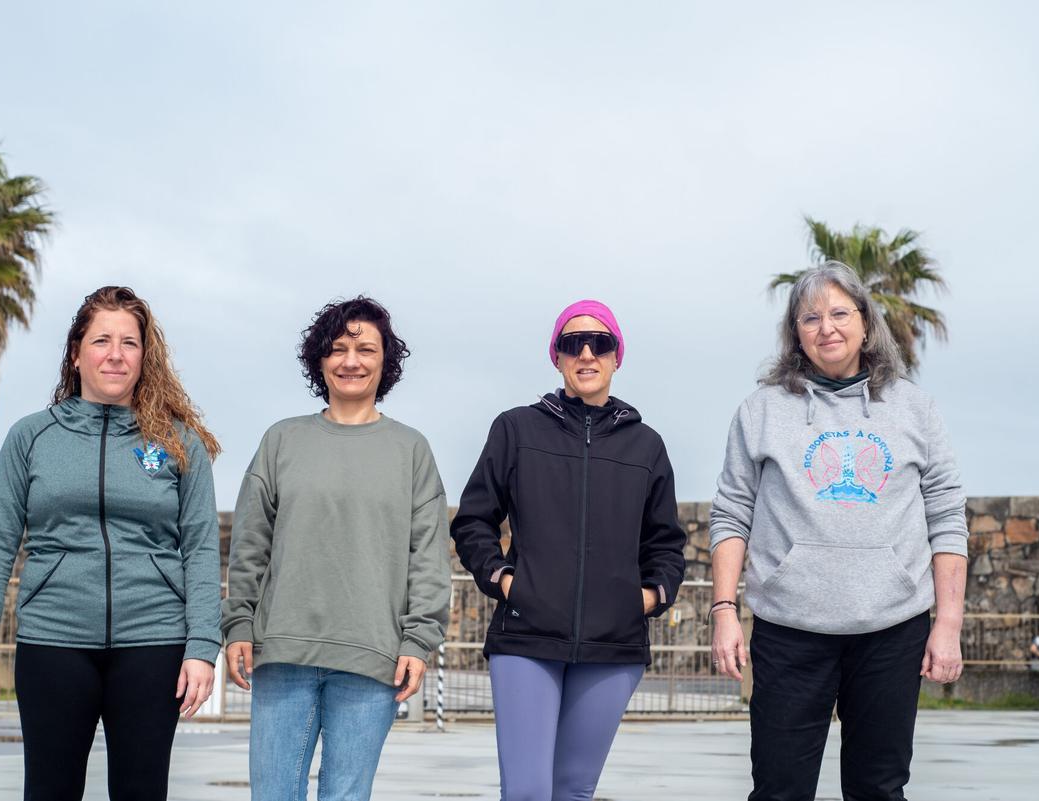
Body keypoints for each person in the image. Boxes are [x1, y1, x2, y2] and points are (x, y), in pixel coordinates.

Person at [709, 261, 968, 801]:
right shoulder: (760, 411)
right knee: (779, 789)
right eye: (810, 317)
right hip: (788, 629)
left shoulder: (915, 410)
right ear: (795, 334)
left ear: (866, 325)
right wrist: (725, 612)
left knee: (879, 788)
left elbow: (946, 516)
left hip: (892, 632)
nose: (826, 327)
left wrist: (947, 624)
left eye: (839, 313)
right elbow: (733, 512)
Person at [0, 286, 223, 801]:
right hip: (53, 641)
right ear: (76, 352)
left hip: (153, 642)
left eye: (130, 342)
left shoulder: (177, 442)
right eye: (102, 340)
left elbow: (200, 549)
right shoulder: (31, 437)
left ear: (145, 357)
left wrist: (202, 647)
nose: (116, 354)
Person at [451, 299, 687, 801]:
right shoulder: (516, 429)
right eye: (571, 343)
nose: (586, 353)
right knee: (529, 792)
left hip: (613, 646)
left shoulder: (646, 446)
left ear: (616, 356)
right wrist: (506, 580)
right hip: (527, 639)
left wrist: (646, 599)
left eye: (599, 343)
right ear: (555, 356)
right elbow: (473, 520)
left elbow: (665, 542)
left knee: (574, 791)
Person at [222, 296, 450, 801]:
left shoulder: (411, 450)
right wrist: (238, 621)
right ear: (319, 360)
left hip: (373, 658)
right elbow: (250, 544)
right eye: (338, 349)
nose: (351, 361)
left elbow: (429, 554)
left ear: (385, 360)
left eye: (366, 349)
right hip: (283, 653)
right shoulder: (282, 440)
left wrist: (419, 640)